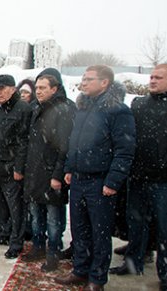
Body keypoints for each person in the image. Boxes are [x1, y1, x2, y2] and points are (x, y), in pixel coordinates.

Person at [56, 65, 135, 291]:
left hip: (100, 182)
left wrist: (112, 181)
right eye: (83, 78)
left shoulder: (118, 111)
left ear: (104, 83)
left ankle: (97, 278)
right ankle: (80, 270)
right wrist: (70, 168)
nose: (84, 82)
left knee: (100, 233)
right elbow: (75, 142)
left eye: (89, 79)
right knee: (80, 230)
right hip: (79, 179)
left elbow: (125, 150)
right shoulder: (83, 107)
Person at [109, 64, 167, 290]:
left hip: (165, 181)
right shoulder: (139, 104)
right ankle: (133, 262)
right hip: (138, 178)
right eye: (152, 77)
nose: (153, 80)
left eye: (159, 77)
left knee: (166, 229)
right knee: (136, 223)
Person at [21, 68, 75, 272]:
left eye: (43, 88)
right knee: (36, 215)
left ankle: (53, 252)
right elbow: (31, 142)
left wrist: (57, 175)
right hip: (35, 172)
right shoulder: (36, 108)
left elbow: (65, 147)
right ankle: (37, 246)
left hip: (52, 174)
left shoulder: (64, 109)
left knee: (53, 218)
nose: (38, 91)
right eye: (37, 88)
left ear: (55, 88)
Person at [0, 74, 32, 259]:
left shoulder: (22, 109)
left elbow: (24, 142)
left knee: (16, 209)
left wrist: (19, 168)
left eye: (2, 88)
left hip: (11, 170)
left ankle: (16, 243)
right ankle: (1, 234)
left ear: (13, 89)